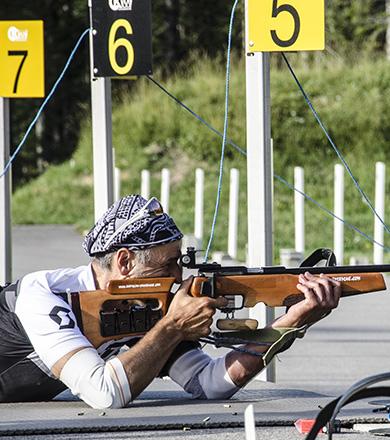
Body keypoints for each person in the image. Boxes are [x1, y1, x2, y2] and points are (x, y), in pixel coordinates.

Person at [0, 194, 341, 408]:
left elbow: (211, 384)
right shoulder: (44, 294)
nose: (178, 277)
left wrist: (292, 322)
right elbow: (104, 393)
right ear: (124, 262)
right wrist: (172, 326)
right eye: (167, 264)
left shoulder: (148, 308)